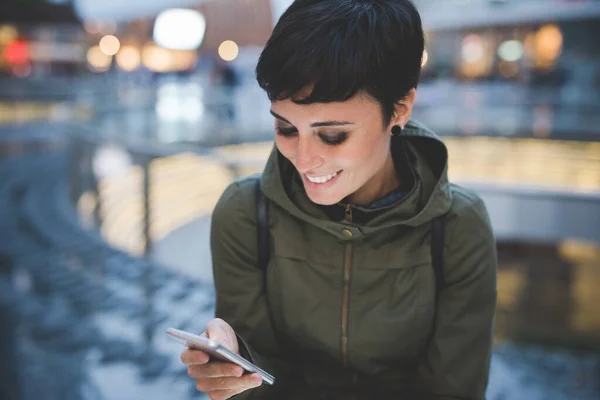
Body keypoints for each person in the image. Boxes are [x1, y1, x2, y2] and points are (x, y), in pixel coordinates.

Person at [181, 1, 497, 399]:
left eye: (332, 135)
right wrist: (239, 367)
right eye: (286, 128)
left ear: (400, 108)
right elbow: (262, 389)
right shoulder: (245, 212)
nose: (303, 159)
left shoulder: (457, 226)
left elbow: (453, 391)